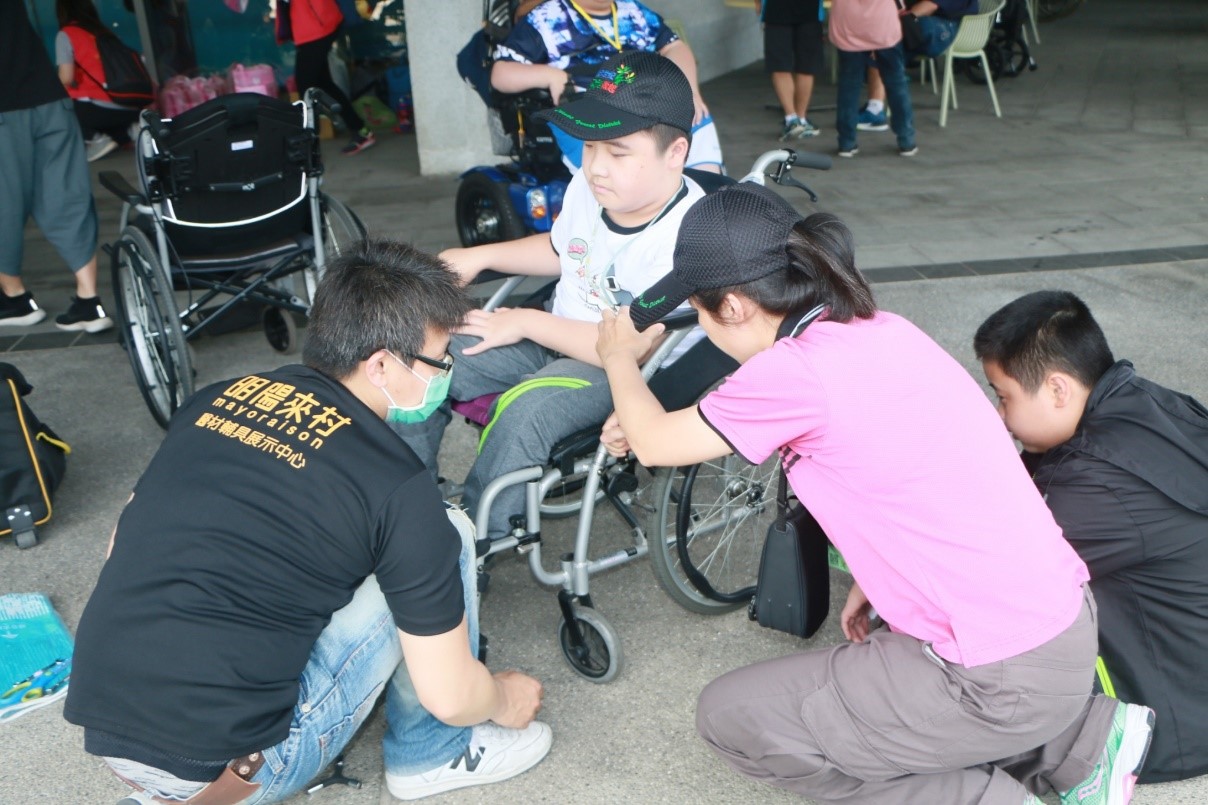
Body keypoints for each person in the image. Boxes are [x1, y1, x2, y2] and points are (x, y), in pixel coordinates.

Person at [594, 184, 1156, 804]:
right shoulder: (879, 328)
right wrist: (883, 576)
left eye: (698, 312)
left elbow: (652, 444)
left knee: (734, 718)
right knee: (884, 692)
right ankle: (1080, 750)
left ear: (732, 306)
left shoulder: (792, 373)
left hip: (999, 675)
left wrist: (619, 358)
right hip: (1063, 630)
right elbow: (927, 469)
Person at [63, 240, 552, 803]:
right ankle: (432, 755)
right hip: (239, 767)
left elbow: (121, 542)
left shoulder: (215, 400)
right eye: (439, 361)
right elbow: (452, 695)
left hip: (107, 726)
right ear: (381, 365)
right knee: (450, 532)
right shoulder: (395, 484)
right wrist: (503, 697)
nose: (446, 373)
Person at [397, 51, 705, 545]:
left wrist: (524, 321)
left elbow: (629, 348)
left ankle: (476, 542)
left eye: (618, 153)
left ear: (676, 153)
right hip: (551, 333)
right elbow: (564, 249)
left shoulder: (688, 237)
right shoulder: (591, 187)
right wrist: (478, 256)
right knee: (418, 357)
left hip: (620, 370)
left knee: (527, 412)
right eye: (589, 147)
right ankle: (402, 503)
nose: (595, 167)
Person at [974, 290, 1208, 784]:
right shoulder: (1149, 406)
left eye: (1004, 396)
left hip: (1170, 728)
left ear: (1058, 389)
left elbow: (992, 577)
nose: (1000, 415)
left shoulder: (1093, 480)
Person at [490, 0, 724, 173]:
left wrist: (688, 90)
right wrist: (550, 75)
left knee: (695, 115)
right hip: (585, 106)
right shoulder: (545, 17)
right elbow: (501, 73)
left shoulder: (633, 10)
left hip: (641, 98)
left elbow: (674, 47)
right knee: (627, 159)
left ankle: (706, 195)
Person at [0, 0, 113, 333]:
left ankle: (15, 298)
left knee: (5, 203)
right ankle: (89, 302)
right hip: (49, 100)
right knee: (68, 195)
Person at [858, 0, 977, 131]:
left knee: (887, 38)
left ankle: (875, 110)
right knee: (880, 35)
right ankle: (875, 107)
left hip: (945, 25)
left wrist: (899, 19)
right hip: (923, 21)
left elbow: (930, 5)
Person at [275, 0, 375, 155]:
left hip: (317, 23)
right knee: (322, 84)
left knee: (306, 86)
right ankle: (360, 129)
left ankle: (307, 142)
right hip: (311, 24)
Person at [55, 0, 144, 163]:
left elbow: (66, 78)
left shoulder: (66, 34)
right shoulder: (103, 31)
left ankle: (96, 139)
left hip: (98, 110)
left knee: (59, 105)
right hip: (131, 104)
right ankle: (129, 130)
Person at [830, 0, 916, 157]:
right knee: (896, 83)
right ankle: (906, 140)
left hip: (847, 22)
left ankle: (846, 142)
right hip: (883, 23)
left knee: (849, 86)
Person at [754, 0, 825, 141]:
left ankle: (792, 118)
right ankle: (801, 118)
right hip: (810, 10)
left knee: (779, 65)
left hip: (776, 9)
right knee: (806, 67)